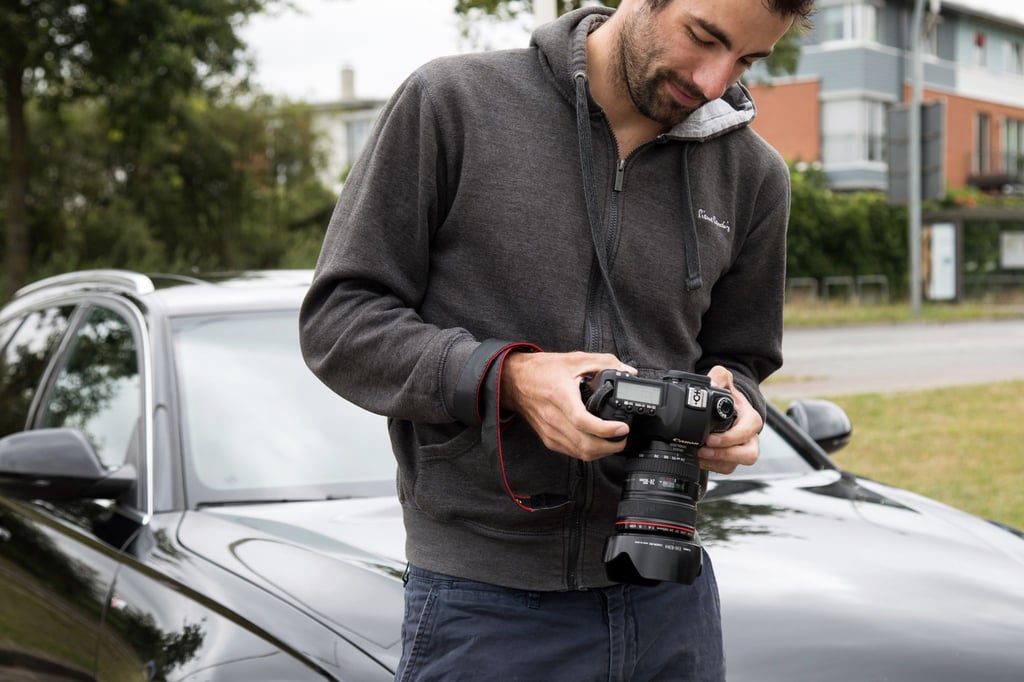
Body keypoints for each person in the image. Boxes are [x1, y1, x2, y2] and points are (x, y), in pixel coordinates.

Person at [300, 0, 814, 679]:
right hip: (486, 605)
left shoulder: (754, 175)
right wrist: (509, 379)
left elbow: (740, 358)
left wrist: (736, 406)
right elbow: (340, 319)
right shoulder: (452, 104)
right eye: (702, 37)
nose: (714, 82)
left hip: (671, 596)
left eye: (747, 60)